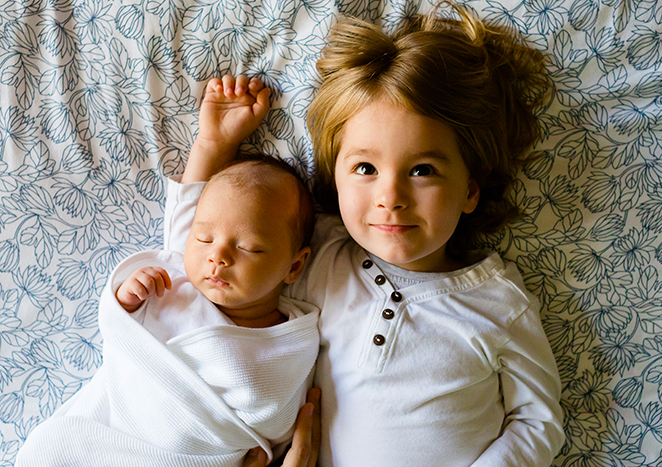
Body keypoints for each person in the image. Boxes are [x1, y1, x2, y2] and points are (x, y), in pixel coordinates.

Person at [166, 3, 566, 466]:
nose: (390, 196)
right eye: (365, 168)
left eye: (422, 170)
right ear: (335, 181)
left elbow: (538, 421)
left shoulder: (498, 302)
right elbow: (195, 258)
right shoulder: (316, 260)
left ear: (470, 191)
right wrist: (213, 146)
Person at [15, 81, 321, 467]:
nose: (218, 256)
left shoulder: (291, 341)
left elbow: (273, 420)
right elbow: (191, 202)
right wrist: (214, 141)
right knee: (50, 451)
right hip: (109, 431)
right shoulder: (177, 275)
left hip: (184, 453)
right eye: (205, 238)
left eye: (248, 247)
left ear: (294, 265)